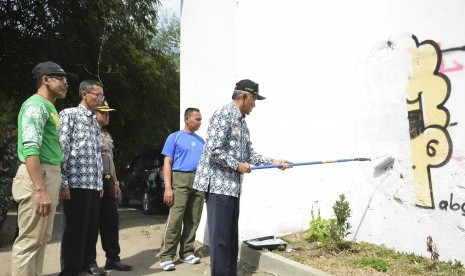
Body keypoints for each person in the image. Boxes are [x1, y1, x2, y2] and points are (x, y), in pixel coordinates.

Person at [192, 79, 292, 276]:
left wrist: (274, 161)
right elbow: (213, 150)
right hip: (218, 186)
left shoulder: (242, 123)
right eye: (253, 100)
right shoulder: (224, 114)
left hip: (233, 187)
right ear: (243, 97)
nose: (254, 105)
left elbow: (249, 154)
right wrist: (236, 165)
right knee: (220, 240)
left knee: (230, 238)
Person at [11, 61, 76, 276]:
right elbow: (31, 150)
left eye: (66, 79)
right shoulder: (36, 106)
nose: (66, 83)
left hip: (48, 174)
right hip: (39, 176)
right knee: (29, 241)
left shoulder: (49, 108)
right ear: (46, 80)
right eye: (60, 78)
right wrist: (40, 189)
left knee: (40, 239)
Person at [59, 80, 106, 276]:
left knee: (91, 227)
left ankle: (89, 263)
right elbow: (62, 149)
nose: (100, 99)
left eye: (102, 96)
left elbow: (96, 153)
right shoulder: (69, 114)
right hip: (76, 182)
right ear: (85, 94)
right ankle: (71, 269)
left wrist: (100, 182)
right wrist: (63, 182)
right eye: (98, 95)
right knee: (74, 229)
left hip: (93, 184)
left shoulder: (94, 121)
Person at [159, 108, 205, 271]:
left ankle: (186, 252)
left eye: (200, 120)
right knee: (176, 218)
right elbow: (167, 163)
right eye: (197, 119)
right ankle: (166, 256)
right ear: (187, 119)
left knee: (194, 218)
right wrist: (168, 188)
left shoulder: (201, 141)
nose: (200, 122)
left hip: (198, 180)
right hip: (180, 178)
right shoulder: (175, 137)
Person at [95, 100, 132, 271]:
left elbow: (110, 160)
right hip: (94, 181)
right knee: (92, 223)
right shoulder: (90, 133)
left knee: (111, 222)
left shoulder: (106, 134)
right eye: (103, 112)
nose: (107, 115)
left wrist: (116, 182)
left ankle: (113, 259)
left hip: (108, 181)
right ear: (94, 113)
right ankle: (89, 261)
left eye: (108, 112)